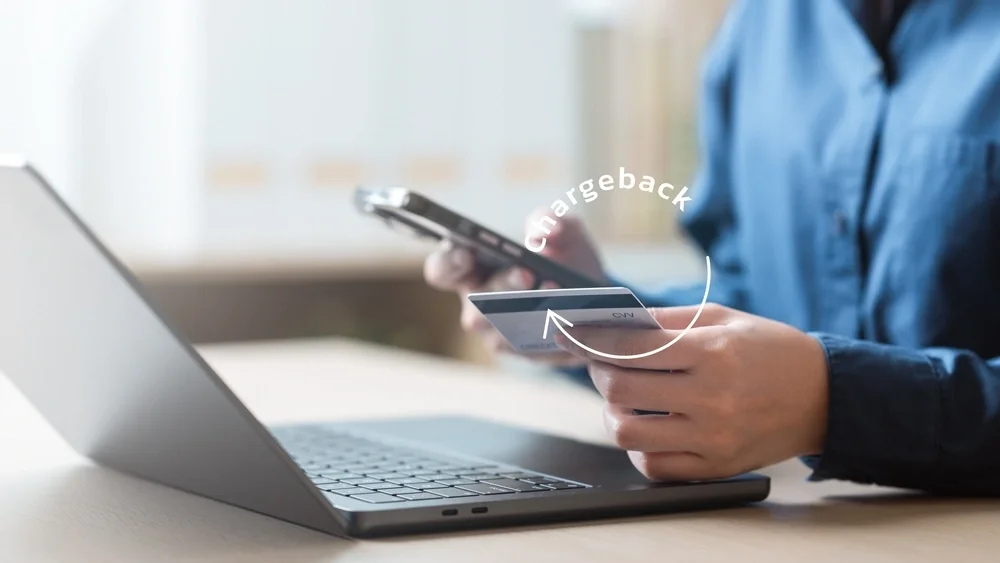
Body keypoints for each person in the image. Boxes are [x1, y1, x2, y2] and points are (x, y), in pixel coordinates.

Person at [425, 0, 1000, 495]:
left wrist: (834, 403)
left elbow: (804, 373)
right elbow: (751, 301)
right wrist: (604, 315)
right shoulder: (762, 23)